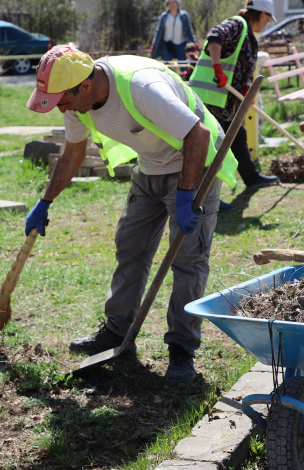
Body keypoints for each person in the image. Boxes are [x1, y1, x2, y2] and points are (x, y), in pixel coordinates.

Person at [24, 46, 239, 386]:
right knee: (130, 247)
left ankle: (181, 351)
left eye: (60, 99)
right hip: (150, 168)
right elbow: (73, 153)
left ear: (84, 86)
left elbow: (197, 134)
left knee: (188, 260)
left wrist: (186, 196)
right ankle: (116, 330)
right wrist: (45, 201)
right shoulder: (75, 102)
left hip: (193, 165)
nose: (59, 107)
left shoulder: (142, 87)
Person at [189, 0, 278, 212]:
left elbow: (242, 65)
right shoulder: (237, 24)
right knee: (213, 146)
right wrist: (218, 69)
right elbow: (215, 38)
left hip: (227, 102)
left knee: (237, 135)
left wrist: (247, 90)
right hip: (210, 98)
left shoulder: (248, 34)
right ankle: (206, 196)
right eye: (267, 20)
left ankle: (251, 176)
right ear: (263, 15)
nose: (266, 24)